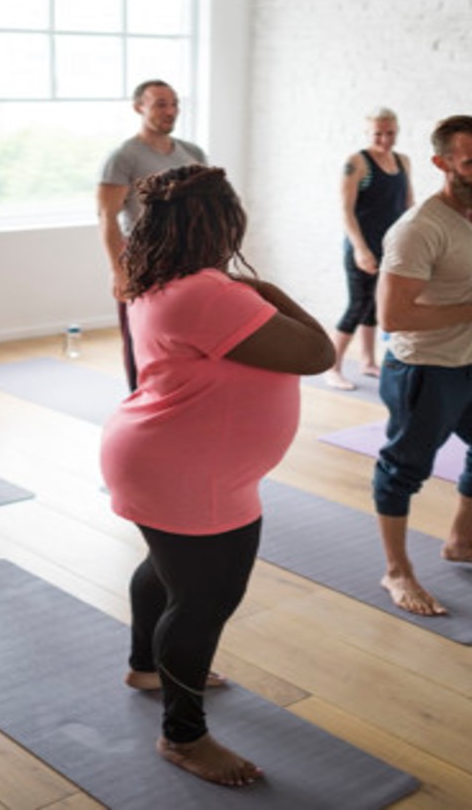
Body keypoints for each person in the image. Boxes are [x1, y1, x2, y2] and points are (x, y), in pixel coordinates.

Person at [100, 165, 333, 787]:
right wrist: (268, 288)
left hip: (162, 461)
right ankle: (184, 737)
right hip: (188, 473)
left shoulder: (160, 280)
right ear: (224, 223)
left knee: (168, 572)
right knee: (203, 601)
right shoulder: (208, 294)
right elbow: (318, 353)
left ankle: (146, 667)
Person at [373, 115, 472, 617]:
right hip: (427, 368)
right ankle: (396, 571)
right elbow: (393, 317)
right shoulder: (418, 229)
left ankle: (460, 542)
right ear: (442, 163)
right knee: (403, 471)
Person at [97, 80, 208, 386]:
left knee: (186, 332)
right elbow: (107, 216)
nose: (170, 111)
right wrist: (117, 270)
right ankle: (141, 398)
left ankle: (181, 396)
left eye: (174, 104)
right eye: (160, 104)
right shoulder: (123, 157)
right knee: (141, 334)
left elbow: (206, 207)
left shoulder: (193, 152)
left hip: (189, 256)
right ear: (139, 107)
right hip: (144, 255)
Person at [324, 107, 414, 391]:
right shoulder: (357, 162)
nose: (385, 139)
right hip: (362, 247)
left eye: (390, 133)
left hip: (391, 248)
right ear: (367, 132)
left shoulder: (403, 161)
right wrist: (361, 250)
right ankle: (332, 367)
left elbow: (409, 205)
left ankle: (367, 361)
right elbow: (346, 210)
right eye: (378, 133)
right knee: (357, 305)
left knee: (376, 306)